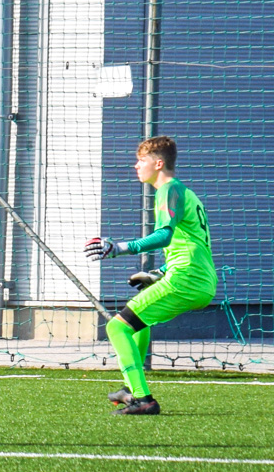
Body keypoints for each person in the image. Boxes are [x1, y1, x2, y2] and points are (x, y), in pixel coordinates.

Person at [85, 136, 217, 415]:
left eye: (141, 160)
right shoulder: (184, 192)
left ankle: (143, 399)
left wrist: (119, 248)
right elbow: (191, 244)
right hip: (199, 279)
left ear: (158, 164)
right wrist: (160, 273)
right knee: (138, 323)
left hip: (187, 278)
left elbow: (164, 236)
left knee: (116, 327)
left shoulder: (168, 189)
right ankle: (132, 388)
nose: (136, 166)